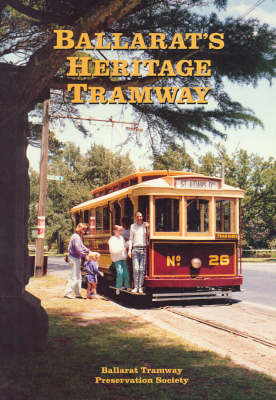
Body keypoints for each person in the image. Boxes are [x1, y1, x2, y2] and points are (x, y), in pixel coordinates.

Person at [64, 223, 93, 299]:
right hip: (74, 258)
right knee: (74, 276)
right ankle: (68, 292)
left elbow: (82, 247)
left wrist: (88, 251)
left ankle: (77, 293)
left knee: (78, 277)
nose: (85, 231)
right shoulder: (76, 237)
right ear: (80, 229)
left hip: (76, 258)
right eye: (83, 229)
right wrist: (85, 255)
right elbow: (78, 249)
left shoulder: (77, 237)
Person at [128, 211, 149, 294]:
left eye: (140, 216)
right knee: (136, 269)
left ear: (142, 217)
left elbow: (150, 236)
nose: (139, 218)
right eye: (138, 216)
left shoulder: (145, 226)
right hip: (135, 249)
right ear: (135, 217)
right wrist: (129, 250)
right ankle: (136, 287)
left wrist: (149, 228)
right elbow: (130, 239)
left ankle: (140, 287)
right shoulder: (133, 226)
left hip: (144, 248)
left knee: (142, 269)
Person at [108, 225, 130, 295]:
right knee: (120, 272)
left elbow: (124, 245)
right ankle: (118, 287)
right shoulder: (112, 239)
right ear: (115, 231)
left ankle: (127, 286)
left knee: (126, 273)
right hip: (117, 258)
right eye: (119, 230)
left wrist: (128, 244)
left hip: (123, 257)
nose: (120, 232)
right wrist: (121, 250)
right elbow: (112, 250)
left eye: (121, 230)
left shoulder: (121, 238)